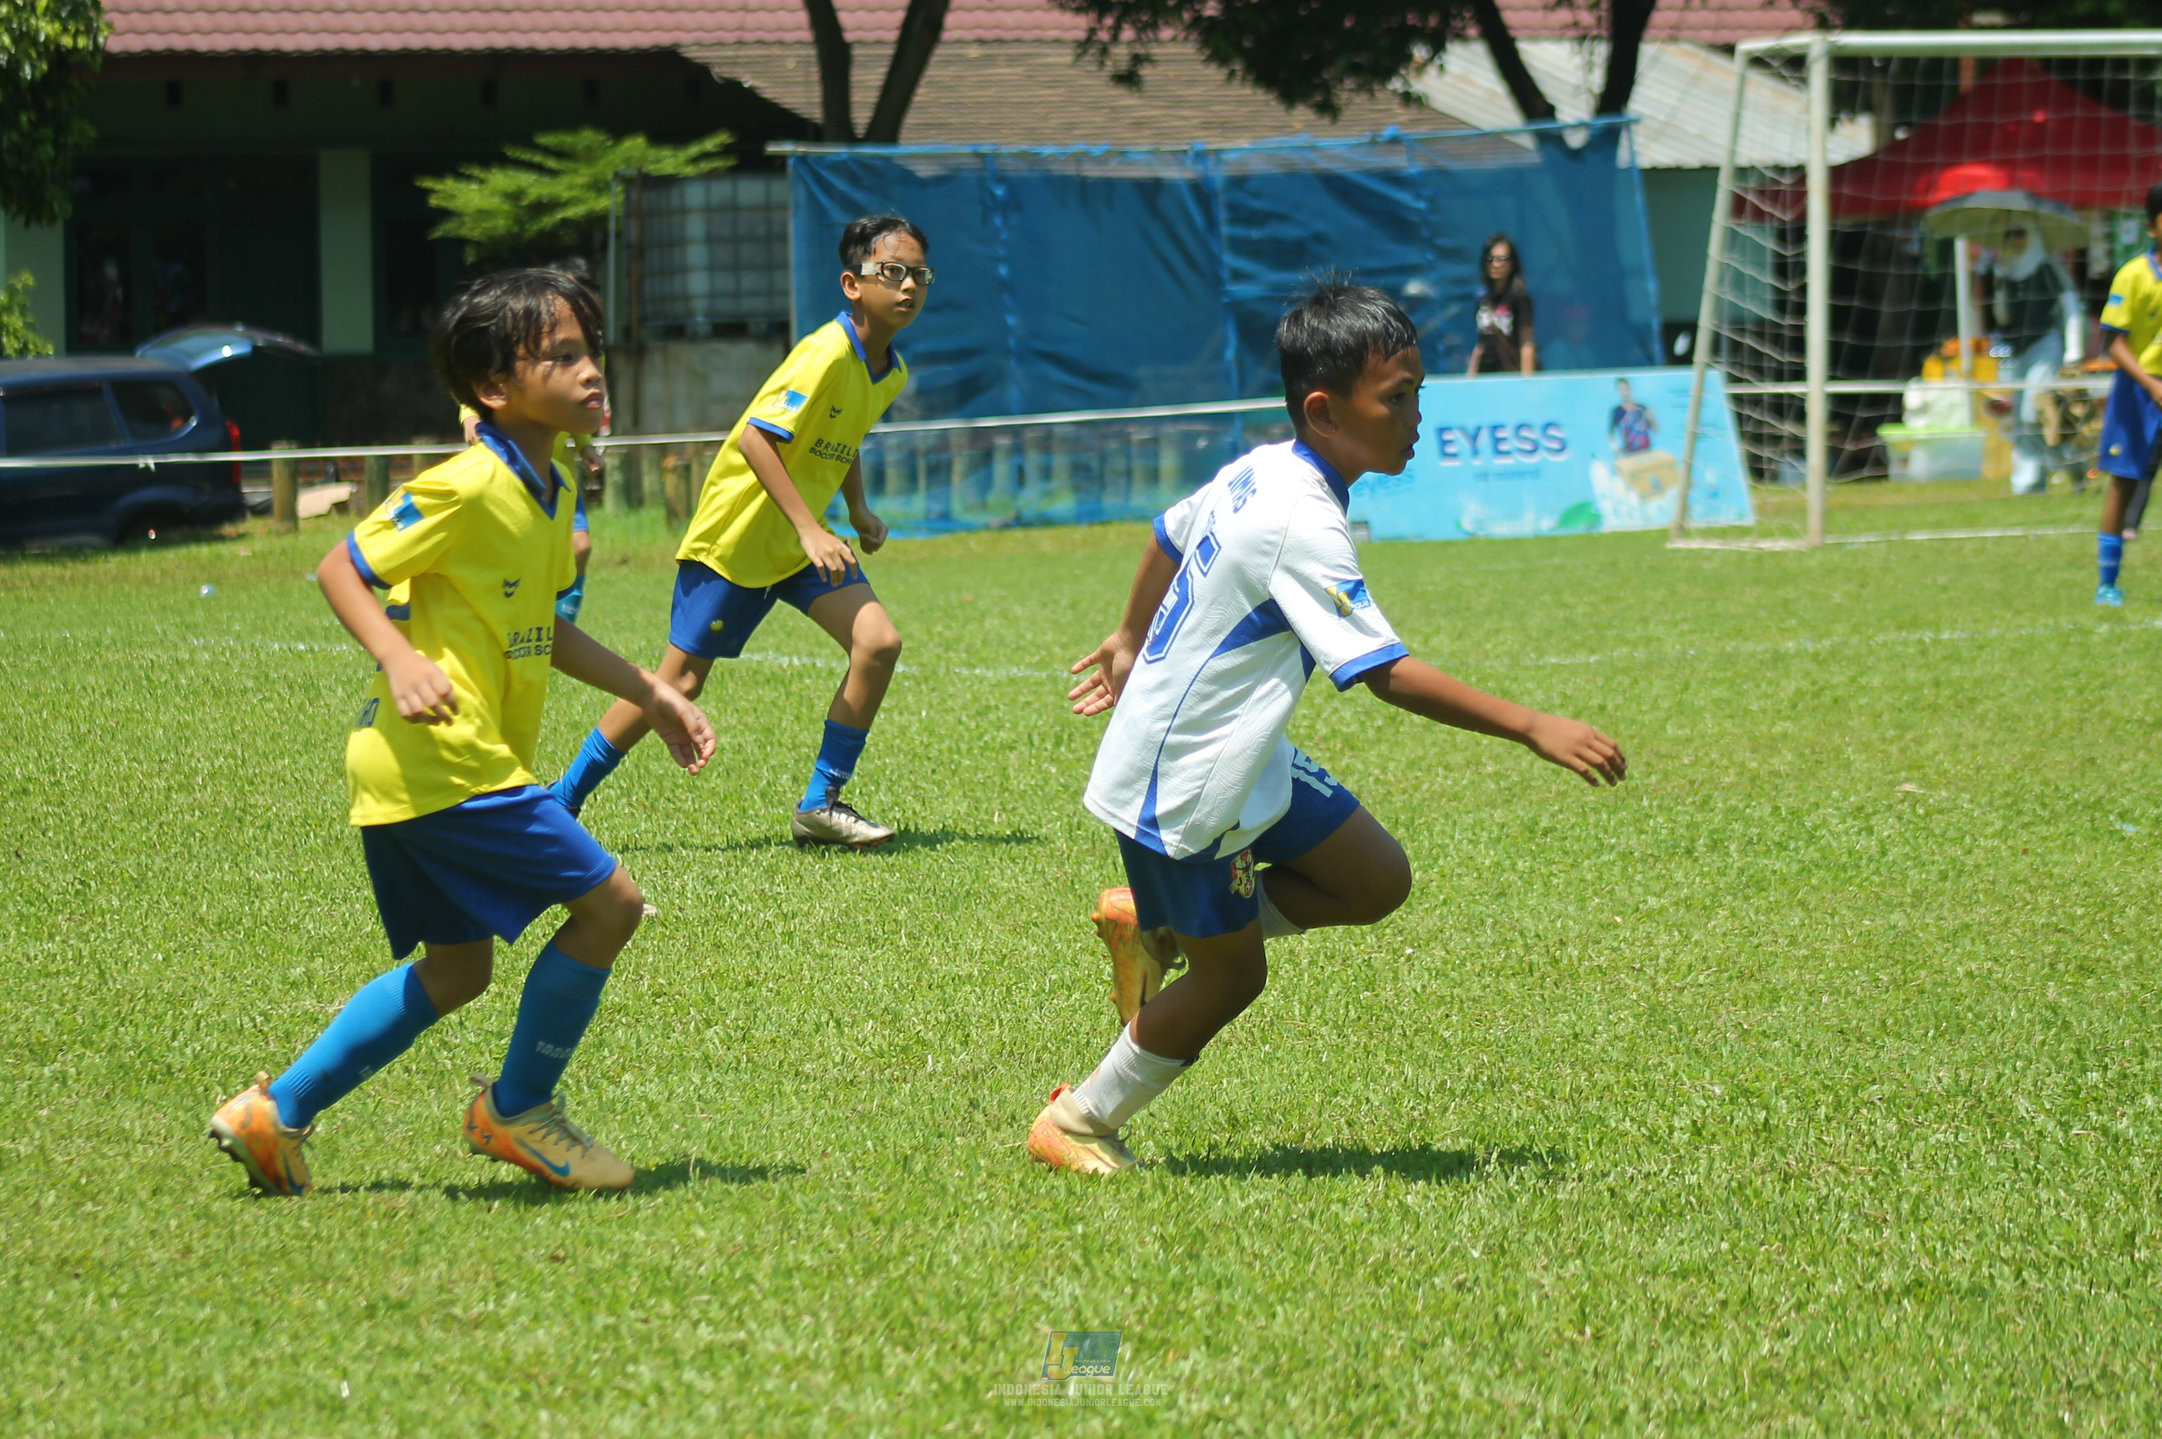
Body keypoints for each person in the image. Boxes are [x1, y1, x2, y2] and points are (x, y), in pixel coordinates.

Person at [1026, 282, 1626, 1175]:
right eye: (1398, 397)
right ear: (1324, 409)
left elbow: (1167, 532)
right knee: (1233, 978)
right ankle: (1078, 1118)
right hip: (1186, 784)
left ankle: (1158, 926)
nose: (1416, 414)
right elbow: (1384, 673)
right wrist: (1533, 725)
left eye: (1418, 390)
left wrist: (1127, 635)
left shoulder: (1267, 466)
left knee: (1375, 877)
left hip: (1239, 752)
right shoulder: (1297, 515)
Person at [207, 270, 716, 1196]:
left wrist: (652, 692)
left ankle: (273, 1114)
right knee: (612, 906)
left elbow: (543, 626)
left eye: (590, 350)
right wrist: (399, 658)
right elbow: (341, 568)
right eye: (562, 356)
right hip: (448, 760)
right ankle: (518, 1108)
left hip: (414, 772)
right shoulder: (468, 482)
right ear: (494, 387)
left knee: (456, 970)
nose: (591, 370)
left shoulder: (550, 486)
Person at [549, 214, 925, 848]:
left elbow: (842, 437)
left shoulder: (890, 371)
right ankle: (561, 799)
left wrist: (856, 510)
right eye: (892, 271)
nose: (909, 285)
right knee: (678, 683)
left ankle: (820, 804)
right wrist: (808, 529)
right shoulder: (825, 352)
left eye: (918, 274)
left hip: (799, 543)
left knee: (878, 643)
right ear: (852, 283)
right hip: (739, 540)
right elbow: (755, 438)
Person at [2093, 183, 2162, 605]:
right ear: (2152, 226)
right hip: (2139, 390)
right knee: (2123, 483)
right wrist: (2152, 384)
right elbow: (2114, 344)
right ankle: (2108, 583)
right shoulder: (2134, 275)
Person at [1988, 226, 2082, 496]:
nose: (2014, 240)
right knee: (2021, 419)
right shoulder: (2005, 270)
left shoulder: (2048, 268)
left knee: (2034, 413)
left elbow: (2071, 307)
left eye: (2020, 233)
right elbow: (2002, 317)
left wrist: (2074, 352)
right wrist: (2000, 283)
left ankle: (2070, 462)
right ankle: (2029, 483)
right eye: (2009, 234)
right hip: (2017, 351)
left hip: (2046, 346)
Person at [1468, 233, 1536, 376]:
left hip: (1511, 375)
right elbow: (1481, 344)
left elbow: (1526, 343)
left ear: (1512, 262)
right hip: (1485, 376)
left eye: (1502, 259)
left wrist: (1527, 381)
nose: (1496, 264)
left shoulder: (1520, 297)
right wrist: (1470, 378)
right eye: (1491, 259)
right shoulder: (1482, 298)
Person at [1609, 378, 1657, 455]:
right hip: (1629, 454)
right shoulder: (1617, 412)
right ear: (1618, 392)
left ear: (1630, 389)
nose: (1624, 392)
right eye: (1621, 390)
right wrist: (1615, 448)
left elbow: (1656, 430)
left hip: (1646, 452)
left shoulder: (1642, 408)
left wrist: (1652, 419)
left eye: (1626, 389)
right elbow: (1611, 434)